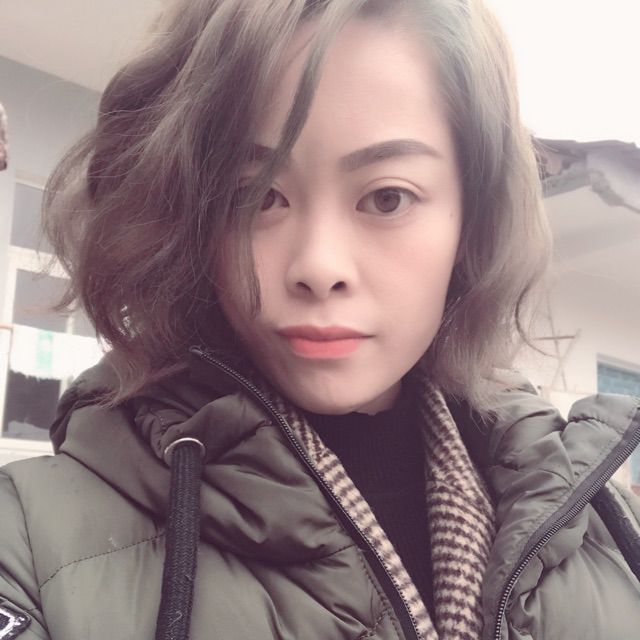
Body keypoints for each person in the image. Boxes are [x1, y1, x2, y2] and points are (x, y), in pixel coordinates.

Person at [1, 0, 639, 638]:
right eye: (258, 197)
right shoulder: (28, 540)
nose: (318, 265)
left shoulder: (599, 526)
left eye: (387, 197)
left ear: (471, 221)